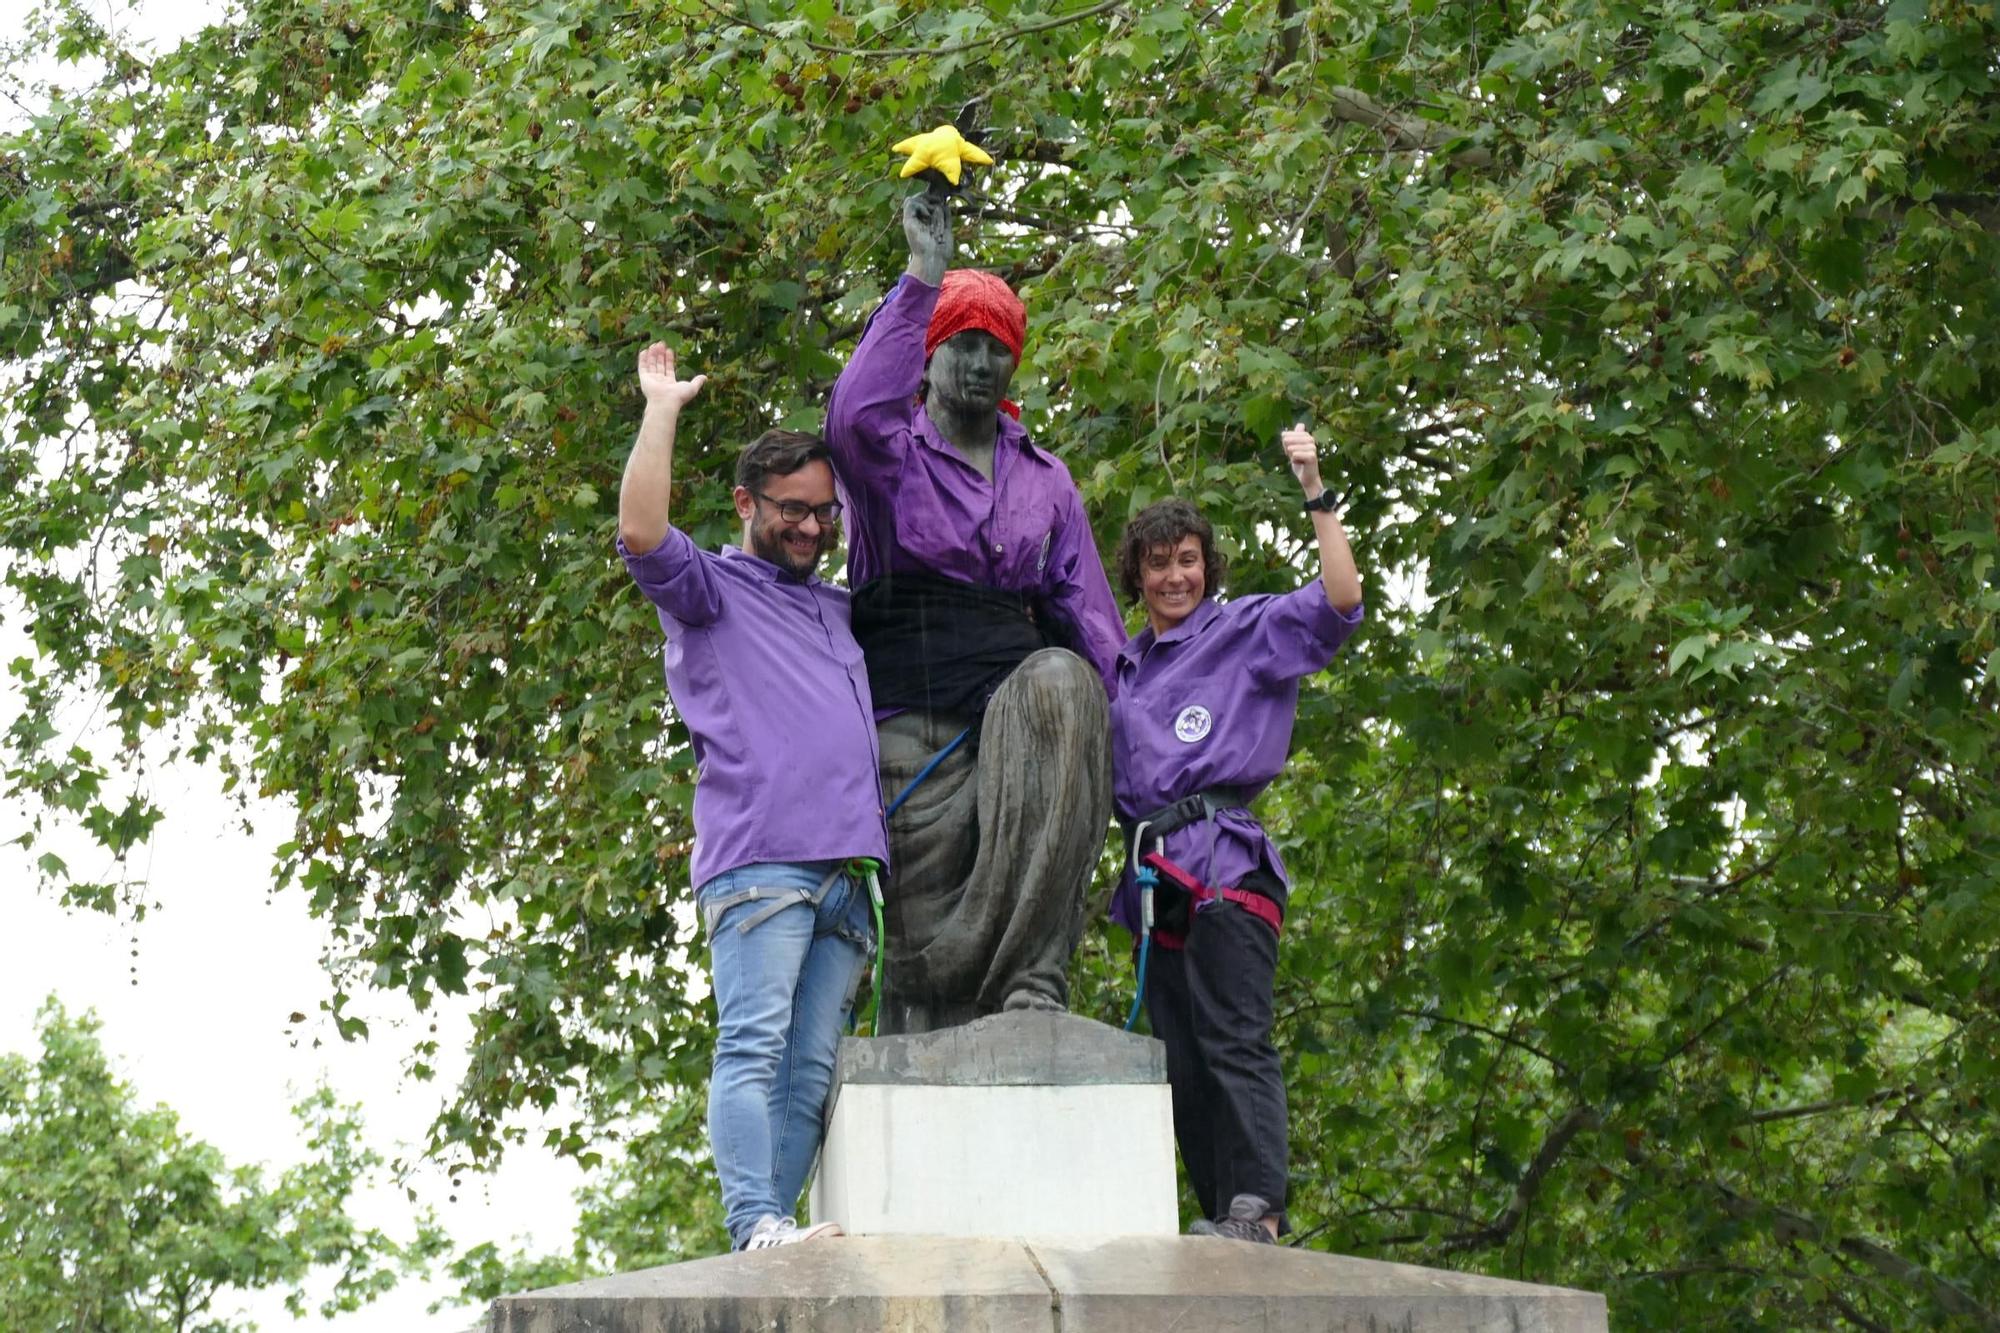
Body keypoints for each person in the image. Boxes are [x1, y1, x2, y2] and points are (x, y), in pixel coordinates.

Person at [823, 188, 1123, 1033]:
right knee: (924, 987)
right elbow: (848, 417)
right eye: (963, 343)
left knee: (1068, 684)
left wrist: (1138, 777)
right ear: (928, 354)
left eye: (998, 348)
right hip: (911, 725)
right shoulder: (889, 455)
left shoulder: (1047, 479)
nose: (981, 363)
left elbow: (1093, 626)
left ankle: (1035, 977)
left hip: (1014, 717)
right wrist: (923, 275)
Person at [615, 341, 887, 1251]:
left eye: (824, 513)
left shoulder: (840, 607)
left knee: (811, 1072)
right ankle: (754, 1222)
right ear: (746, 504)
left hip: (849, 876)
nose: (811, 527)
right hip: (763, 865)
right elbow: (644, 532)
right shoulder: (711, 588)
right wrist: (662, 410)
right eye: (792, 511)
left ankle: (772, 1237)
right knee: (754, 1049)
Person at [1109, 424, 1364, 1245]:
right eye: (1159, 562)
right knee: (1181, 1064)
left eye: (1187, 560)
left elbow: (1340, 601)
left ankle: (1260, 1205)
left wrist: (1315, 490)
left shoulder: (1243, 630)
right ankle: (1223, 1212)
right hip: (1155, 879)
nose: (1174, 574)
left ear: (1206, 569)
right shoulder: (1124, 667)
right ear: (1138, 576)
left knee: (1232, 1036)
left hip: (1224, 863)